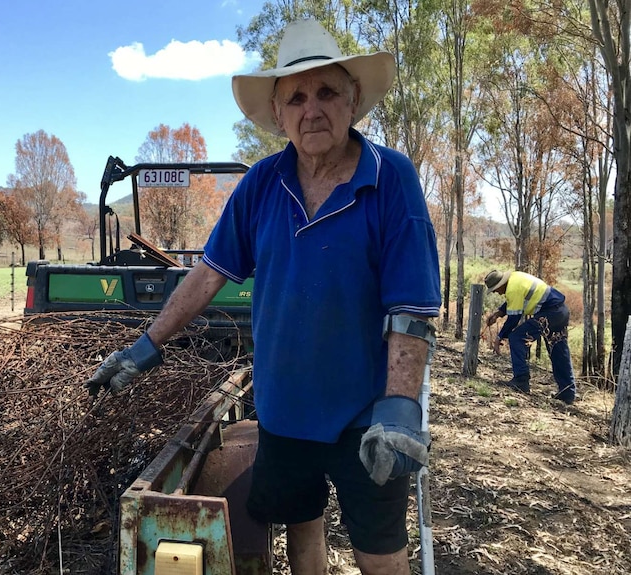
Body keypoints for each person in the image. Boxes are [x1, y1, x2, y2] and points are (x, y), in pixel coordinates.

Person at [85, 19, 441, 575]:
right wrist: (146, 345)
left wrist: (398, 408)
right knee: (302, 530)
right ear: (278, 115)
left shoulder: (390, 178)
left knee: (380, 553)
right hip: (286, 409)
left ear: (352, 101)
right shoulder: (261, 184)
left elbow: (412, 309)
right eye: (295, 97)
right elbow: (207, 275)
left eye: (326, 92)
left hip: (366, 410)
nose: (311, 109)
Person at [484, 269, 577, 404]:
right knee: (558, 350)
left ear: (501, 285)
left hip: (550, 313)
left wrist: (499, 337)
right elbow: (515, 300)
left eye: (495, 289)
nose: (495, 292)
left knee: (517, 338)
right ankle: (568, 392)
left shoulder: (512, 288)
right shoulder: (515, 279)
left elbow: (514, 319)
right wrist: (499, 313)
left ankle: (521, 380)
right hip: (560, 311)